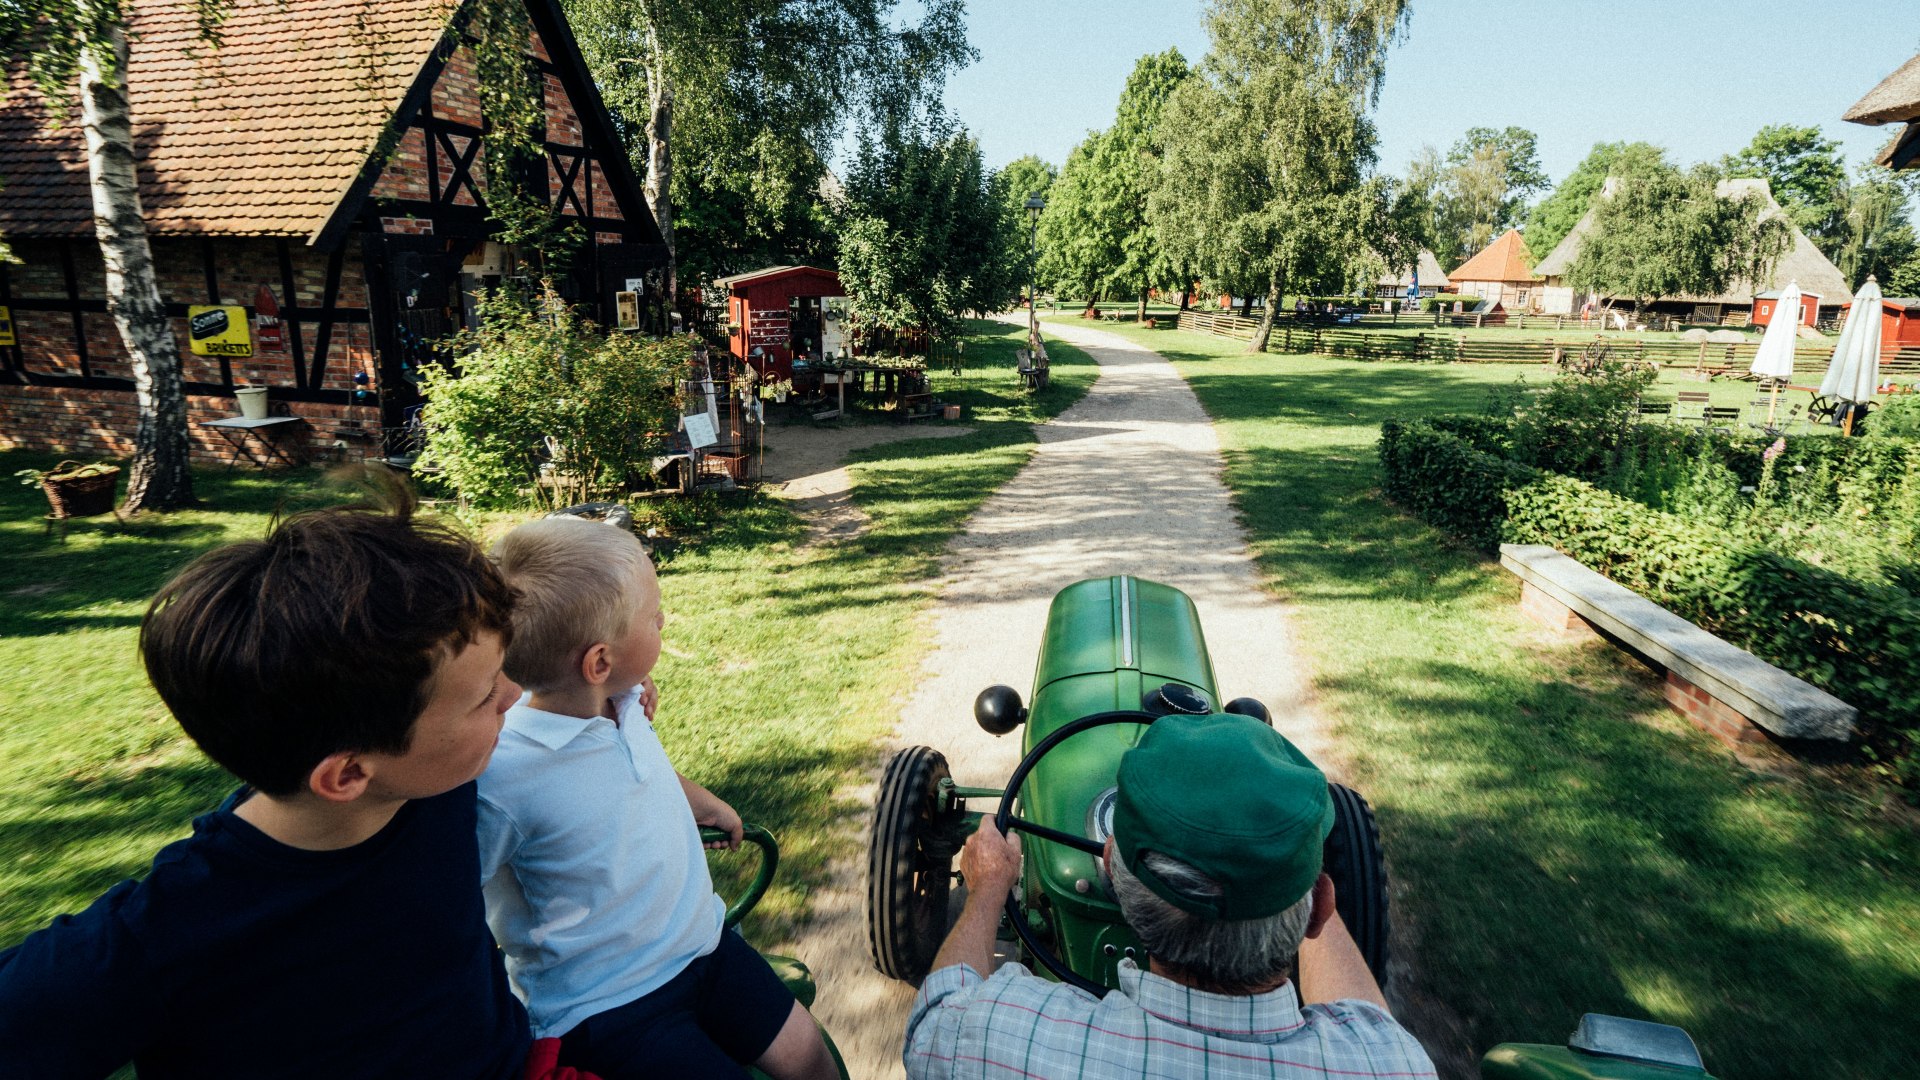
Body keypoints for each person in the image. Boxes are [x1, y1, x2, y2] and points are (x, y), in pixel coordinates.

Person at [0, 478, 538, 1079]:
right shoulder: (169, 930)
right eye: (486, 694)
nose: (514, 696)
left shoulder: (425, 782)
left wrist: (612, 694)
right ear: (348, 774)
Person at [479, 517, 837, 1080]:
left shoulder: (617, 700)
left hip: (702, 945)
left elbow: (627, 777)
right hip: (608, 1006)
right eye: (653, 615)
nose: (663, 619)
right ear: (598, 661)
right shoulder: (502, 776)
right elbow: (452, 891)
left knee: (812, 1057)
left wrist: (697, 799)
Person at [903, 713, 1437, 1080]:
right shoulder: (1392, 1064)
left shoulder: (985, 1036)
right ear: (1319, 909)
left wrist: (987, 890)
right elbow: (1365, 1016)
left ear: (1111, 866)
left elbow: (941, 1005)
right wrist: (1286, 868)